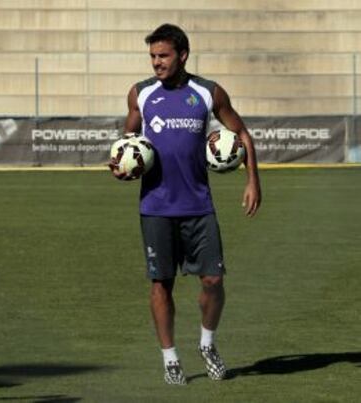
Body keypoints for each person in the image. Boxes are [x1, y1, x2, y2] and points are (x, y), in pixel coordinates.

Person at [110, 23, 261, 385]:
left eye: (163, 56)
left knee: (212, 279)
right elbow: (126, 141)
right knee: (161, 284)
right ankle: (170, 358)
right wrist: (121, 163)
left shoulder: (207, 93)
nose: (156, 63)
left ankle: (207, 344)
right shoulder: (141, 94)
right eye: (152, 57)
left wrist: (253, 180)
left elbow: (241, 133)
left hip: (198, 205)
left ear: (182, 55)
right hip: (155, 207)